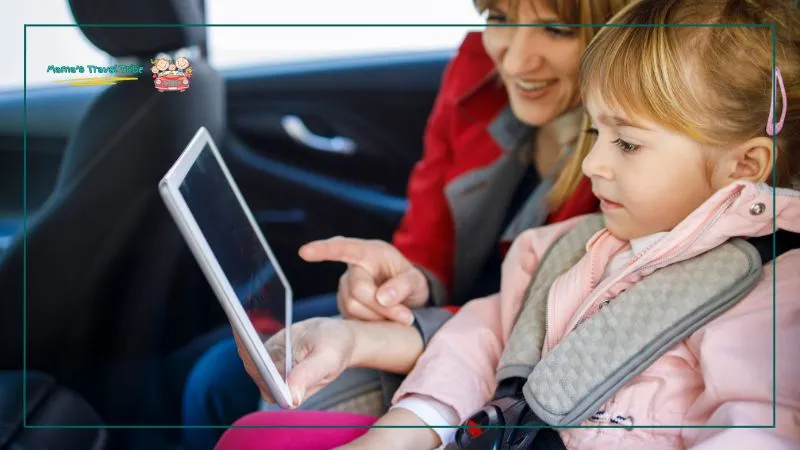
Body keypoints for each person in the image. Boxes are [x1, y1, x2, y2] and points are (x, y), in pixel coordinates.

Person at [215, 0, 800, 448]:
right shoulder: (568, 246)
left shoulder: (771, 293)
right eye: (595, 134)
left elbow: (753, 427)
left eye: (624, 143)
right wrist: (400, 426)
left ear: (744, 166)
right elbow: (487, 335)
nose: (593, 164)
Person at [180, 0, 631, 448]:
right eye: (499, 20)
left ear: (620, 29)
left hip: (493, 367)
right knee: (206, 365)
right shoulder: (477, 68)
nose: (514, 59)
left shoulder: (625, 173)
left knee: (219, 383)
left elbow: (532, 332)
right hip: (437, 326)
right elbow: (428, 223)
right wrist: (408, 279)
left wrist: (372, 336)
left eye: (557, 31)